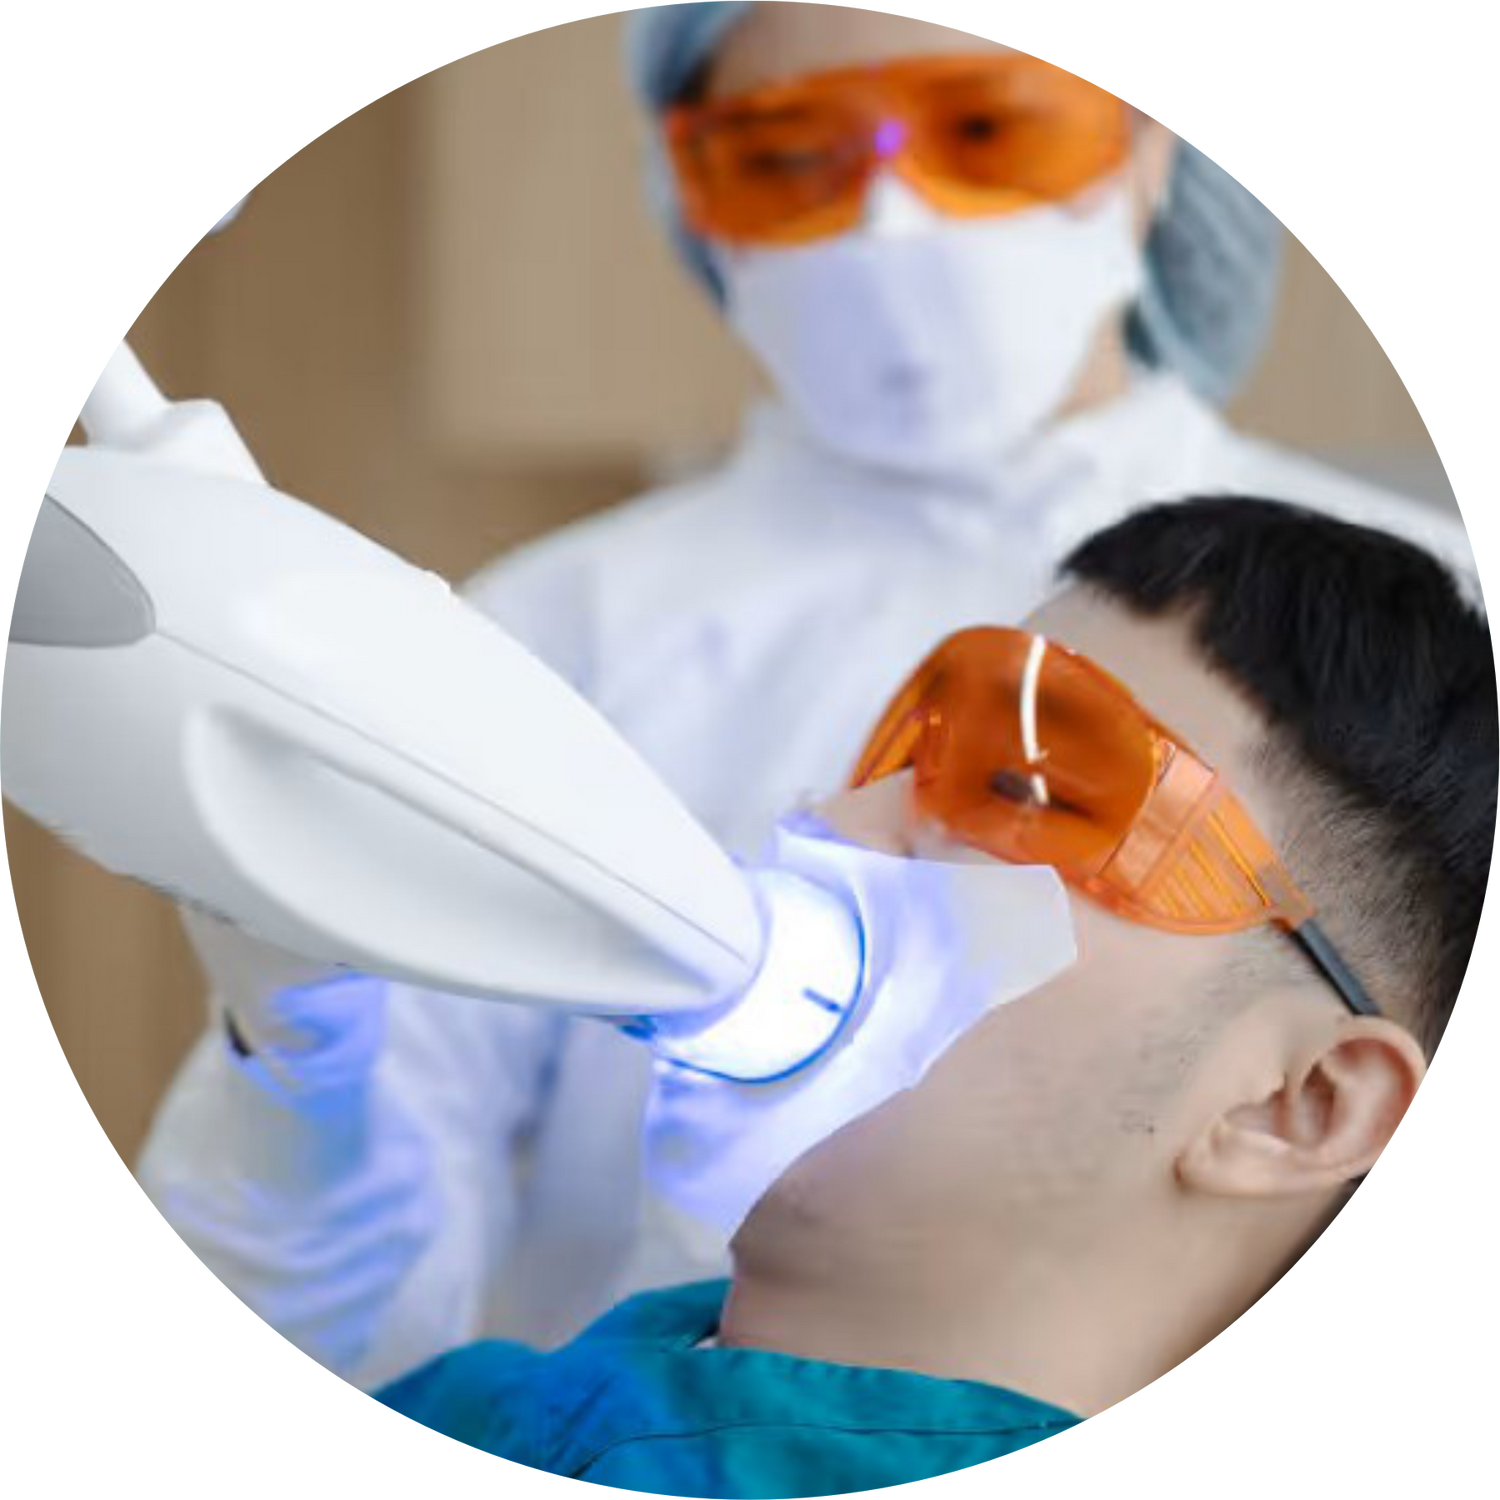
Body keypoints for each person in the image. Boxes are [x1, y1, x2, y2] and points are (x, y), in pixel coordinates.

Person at [135, 3, 1481, 1389]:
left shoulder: (1430, 654)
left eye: (985, 130)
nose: (893, 218)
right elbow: (323, 1306)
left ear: (1149, 153)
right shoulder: (556, 631)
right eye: (788, 156)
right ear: (689, 189)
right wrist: (297, 1057)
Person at [369, 497, 1494, 1494]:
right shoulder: (490, 1408)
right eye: (898, 755)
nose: (829, 826)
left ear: (1298, 1104)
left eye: (1021, 792)